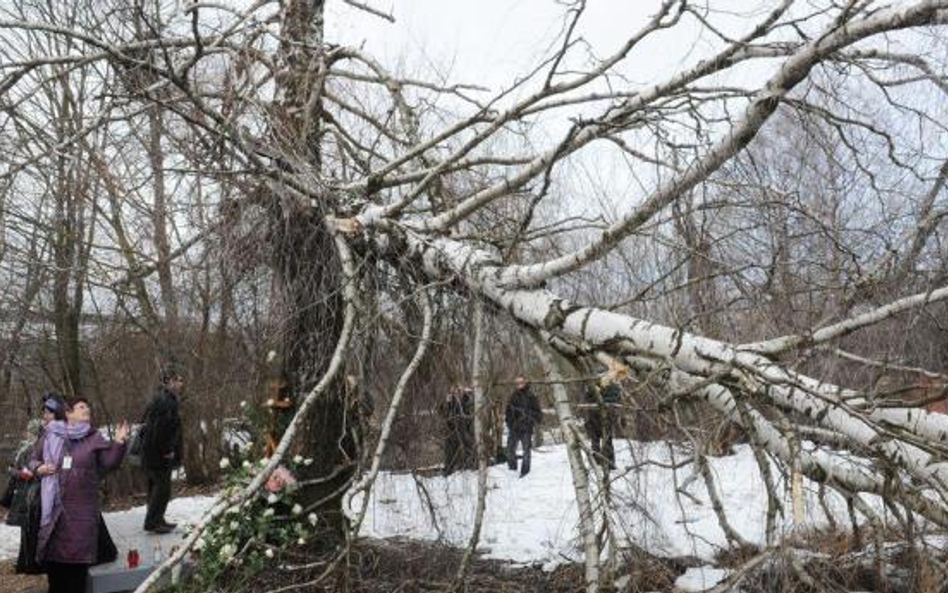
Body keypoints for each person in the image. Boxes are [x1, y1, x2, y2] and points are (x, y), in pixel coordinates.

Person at [32, 397, 129, 593]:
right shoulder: (51, 434)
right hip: (54, 515)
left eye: (88, 405)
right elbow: (33, 459)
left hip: (81, 515)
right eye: (81, 406)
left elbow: (110, 462)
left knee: (76, 574)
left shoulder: (94, 437)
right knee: (56, 573)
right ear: (68, 413)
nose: (87, 408)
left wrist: (119, 442)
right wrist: (39, 468)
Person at [2, 393, 65, 575]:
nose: (28, 434)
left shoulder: (42, 443)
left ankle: (34, 564)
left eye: (31, 432)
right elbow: (29, 466)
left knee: (32, 531)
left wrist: (15, 472)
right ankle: (28, 563)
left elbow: (28, 472)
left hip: (35, 493)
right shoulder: (28, 448)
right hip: (27, 495)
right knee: (27, 532)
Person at [140, 367, 184, 533]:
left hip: (152, 452)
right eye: (179, 380)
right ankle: (153, 522)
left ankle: (157, 519)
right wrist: (167, 450)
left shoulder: (159, 398)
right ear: (170, 382)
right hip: (158, 454)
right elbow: (161, 430)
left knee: (155, 487)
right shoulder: (166, 401)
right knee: (162, 489)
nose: (181, 383)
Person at [504, 376, 541, 477]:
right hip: (514, 428)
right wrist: (510, 423)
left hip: (526, 428)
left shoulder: (531, 396)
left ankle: (525, 472)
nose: (519, 384)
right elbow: (507, 412)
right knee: (510, 450)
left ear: (525, 382)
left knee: (526, 451)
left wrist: (528, 418)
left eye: (521, 382)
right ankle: (512, 469)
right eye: (517, 383)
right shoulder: (513, 396)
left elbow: (538, 414)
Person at [585, 375, 621, 470]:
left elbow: (616, 398)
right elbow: (587, 398)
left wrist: (603, 400)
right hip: (594, 417)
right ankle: (597, 464)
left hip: (606, 417)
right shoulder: (593, 386)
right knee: (595, 441)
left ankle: (610, 464)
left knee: (607, 441)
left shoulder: (613, 387)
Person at [439, 385, 475, 475]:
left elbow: (470, 411)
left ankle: (471, 468)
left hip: (464, 429)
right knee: (449, 451)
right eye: (454, 390)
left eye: (459, 390)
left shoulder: (467, 399)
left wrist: (468, 395)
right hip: (452, 430)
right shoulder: (451, 401)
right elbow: (442, 412)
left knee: (469, 448)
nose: (457, 392)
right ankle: (448, 471)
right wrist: (447, 403)